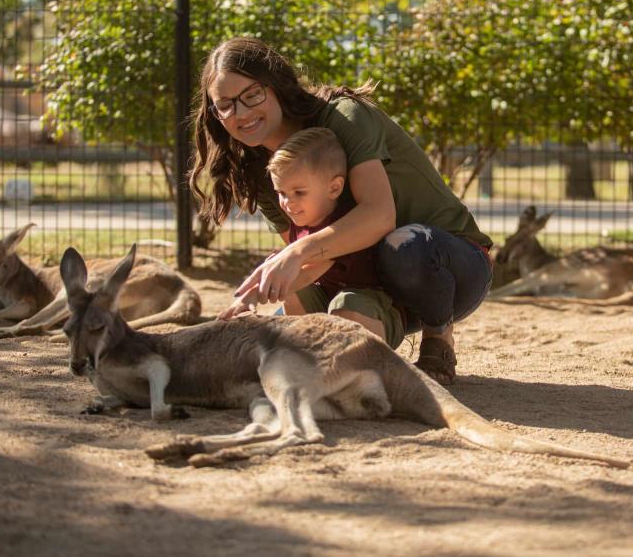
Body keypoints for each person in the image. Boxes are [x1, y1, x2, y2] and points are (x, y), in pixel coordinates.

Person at [190, 36, 492, 384]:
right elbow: (312, 259)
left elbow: (379, 217)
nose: (240, 113)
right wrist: (259, 294)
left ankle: (439, 340)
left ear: (275, 84)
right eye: (225, 105)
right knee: (279, 323)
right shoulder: (261, 166)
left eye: (251, 95)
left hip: (446, 271)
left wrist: (295, 254)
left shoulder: (344, 116)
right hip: (371, 283)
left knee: (404, 245)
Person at [220, 127, 394, 343]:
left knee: (346, 305)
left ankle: (356, 363)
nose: (287, 203)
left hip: (371, 309)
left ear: (334, 188)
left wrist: (252, 296)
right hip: (330, 299)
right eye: (281, 193)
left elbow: (305, 274)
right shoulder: (302, 222)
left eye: (299, 192)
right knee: (297, 295)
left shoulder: (338, 227)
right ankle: (304, 348)